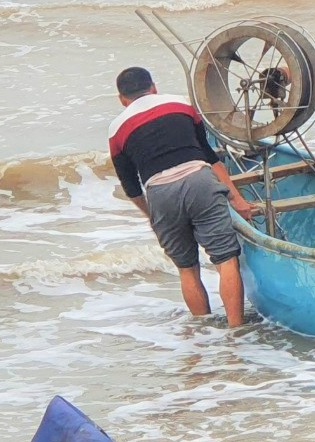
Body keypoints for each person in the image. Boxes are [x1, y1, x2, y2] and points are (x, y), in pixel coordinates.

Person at [107, 67, 255, 327]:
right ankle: (236, 331)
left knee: (187, 268)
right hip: (200, 181)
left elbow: (131, 187)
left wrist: (152, 216)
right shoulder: (181, 104)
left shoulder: (116, 129)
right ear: (153, 87)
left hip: (160, 193)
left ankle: (205, 333)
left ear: (122, 99)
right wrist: (237, 200)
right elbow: (210, 156)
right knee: (225, 260)